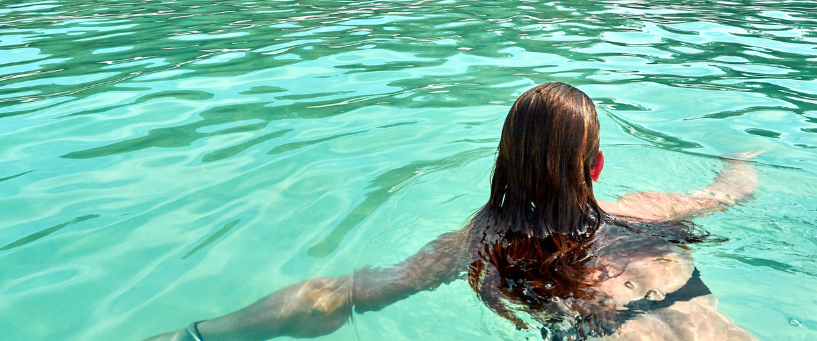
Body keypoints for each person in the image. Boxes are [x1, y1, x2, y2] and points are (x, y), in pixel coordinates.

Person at [142, 82, 761, 341]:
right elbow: (735, 187)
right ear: (595, 166)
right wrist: (740, 152)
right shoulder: (649, 210)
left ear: (504, 162)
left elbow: (335, 297)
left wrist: (201, 334)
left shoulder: (480, 243)